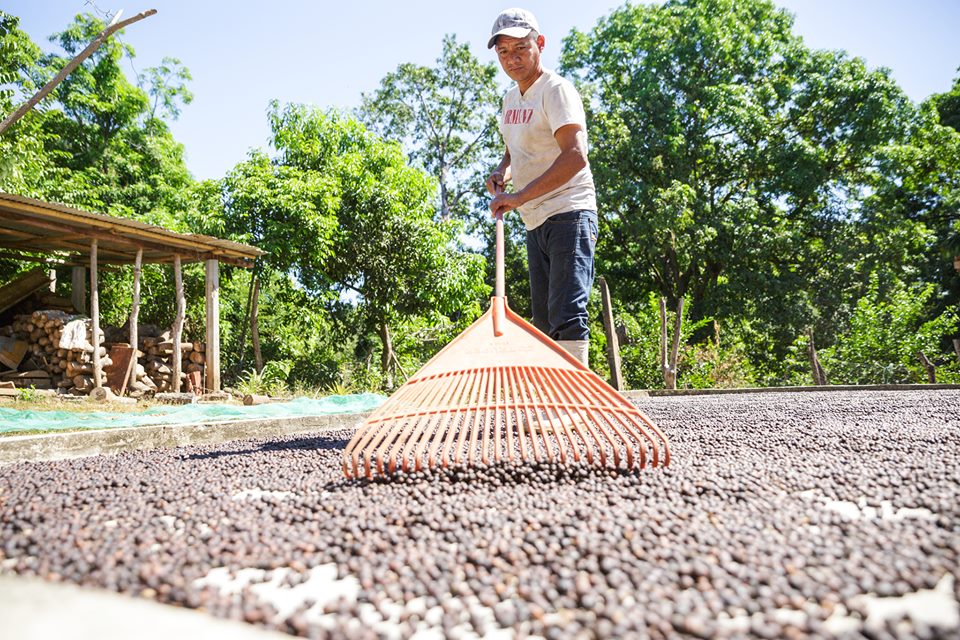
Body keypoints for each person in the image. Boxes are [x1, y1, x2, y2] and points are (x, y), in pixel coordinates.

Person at [485, 7, 598, 368]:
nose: (512, 59)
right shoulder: (511, 98)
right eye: (503, 52)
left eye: (520, 48)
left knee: (567, 312)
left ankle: (576, 400)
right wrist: (503, 169)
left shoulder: (556, 90)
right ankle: (554, 401)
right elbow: (516, 143)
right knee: (545, 322)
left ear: (540, 44)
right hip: (535, 219)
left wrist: (517, 196)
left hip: (569, 211)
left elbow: (575, 156)